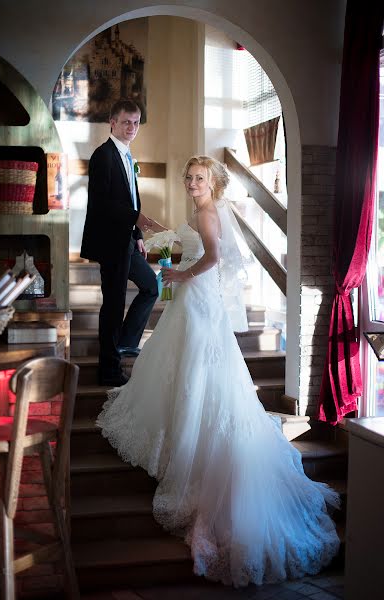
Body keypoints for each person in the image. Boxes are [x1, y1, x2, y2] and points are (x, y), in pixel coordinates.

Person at [96, 156, 340, 586]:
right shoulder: (201, 211)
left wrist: (180, 274)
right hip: (194, 299)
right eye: (188, 177)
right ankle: (181, 430)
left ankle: (192, 447)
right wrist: (163, 244)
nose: (192, 183)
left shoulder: (209, 213)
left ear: (213, 183)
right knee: (183, 368)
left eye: (199, 178)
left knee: (195, 371)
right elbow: (194, 248)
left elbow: (209, 257)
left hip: (198, 298)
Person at [80, 99, 158, 387]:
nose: (132, 128)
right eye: (126, 122)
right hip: (110, 243)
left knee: (152, 286)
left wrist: (137, 236)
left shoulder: (127, 156)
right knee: (113, 305)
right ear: (112, 122)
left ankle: (125, 342)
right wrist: (137, 218)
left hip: (127, 239)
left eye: (136, 122)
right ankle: (109, 370)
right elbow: (102, 204)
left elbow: (129, 198)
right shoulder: (103, 156)